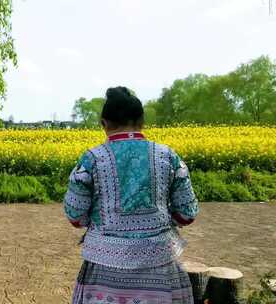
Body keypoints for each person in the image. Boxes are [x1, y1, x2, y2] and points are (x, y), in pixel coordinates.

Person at [64, 86, 199, 304]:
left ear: (104, 123)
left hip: (104, 266)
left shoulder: (91, 159)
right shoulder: (168, 155)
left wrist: (99, 224)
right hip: (160, 264)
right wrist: (161, 222)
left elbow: (75, 215)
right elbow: (188, 212)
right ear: (142, 121)